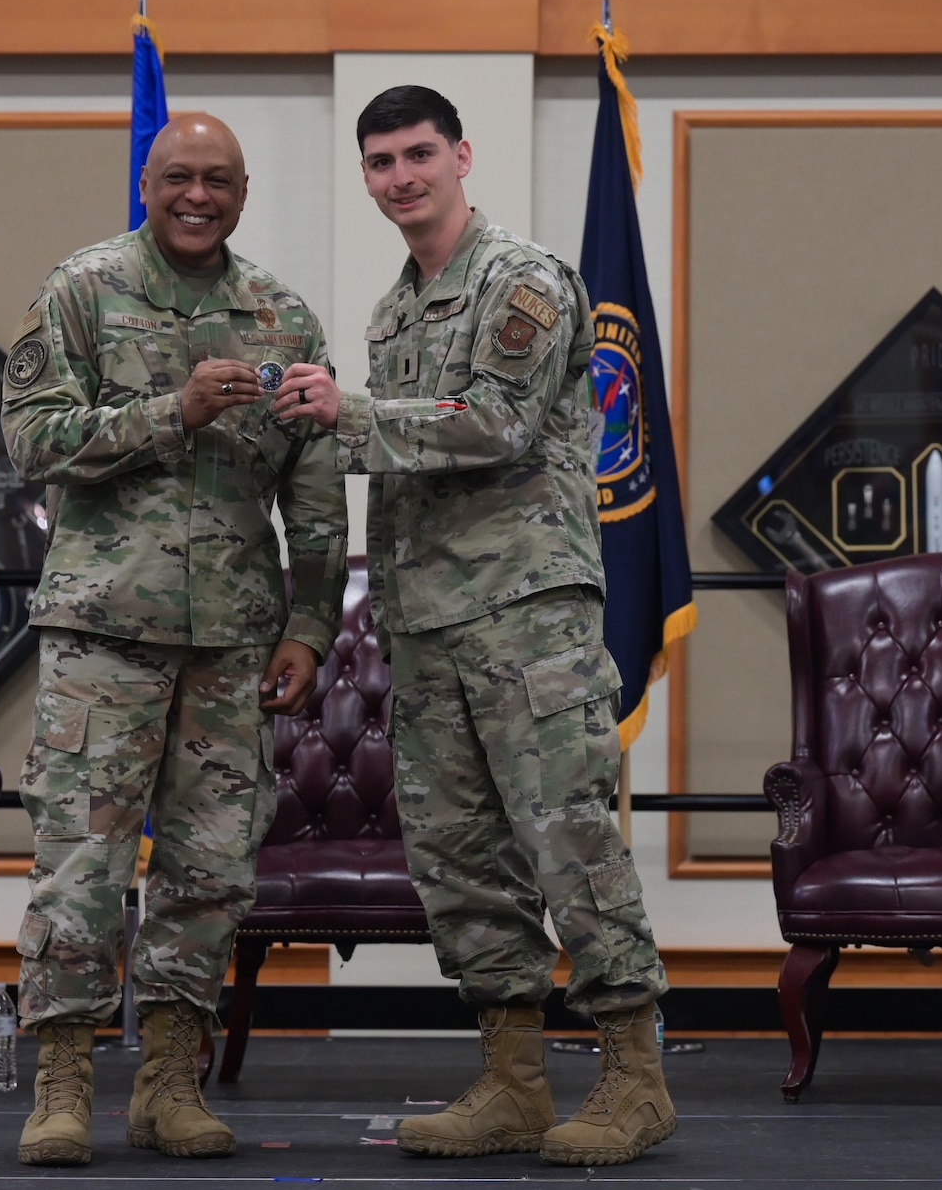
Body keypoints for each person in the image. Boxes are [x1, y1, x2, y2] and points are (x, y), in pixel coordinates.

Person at [273, 86, 673, 1167]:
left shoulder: (523, 280)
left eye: (416, 155)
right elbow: (403, 456)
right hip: (429, 622)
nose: (398, 178)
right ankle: (512, 1081)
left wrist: (343, 412)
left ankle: (633, 1079)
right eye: (378, 163)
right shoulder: (396, 311)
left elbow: (493, 423)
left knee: (567, 844)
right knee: (458, 863)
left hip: (525, 615)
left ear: (461, 155)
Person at [2, 114, 348, 1167]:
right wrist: (171, 411)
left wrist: (310, 623)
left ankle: (169, 1077)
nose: (197, 196)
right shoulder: (81, 288)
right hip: (104, 634)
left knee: (209, 869)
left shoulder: (278, 311)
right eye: (178, 178)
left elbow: (317, 489)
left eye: (218, 182)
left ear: (242, 193)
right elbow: (28, 439)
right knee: (82, 866)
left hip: (232, 644)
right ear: (146, 182)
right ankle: (61, 1080)